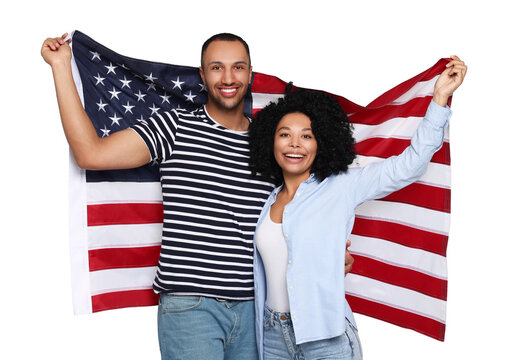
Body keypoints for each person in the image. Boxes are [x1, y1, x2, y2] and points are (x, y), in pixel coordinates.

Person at [41, 32, 354, 360]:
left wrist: (330, 257)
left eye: (238, 67)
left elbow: (297, 219)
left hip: (256, 310)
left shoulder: (273, 144)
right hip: (191, 307)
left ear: (250, 74)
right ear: (202, 75)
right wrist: (61, 66)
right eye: (217, 67)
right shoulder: (174, 127)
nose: (228, 78)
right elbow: (91, 154)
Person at [248, 57, 467, 359]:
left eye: (307, 136)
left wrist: (439, 99)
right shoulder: (268, 199)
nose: (295, 144)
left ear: (321, 143)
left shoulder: (342, 185)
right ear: (270, 142)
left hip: (325, 337)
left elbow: (410, 165)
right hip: (271, 335)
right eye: (285, 134)